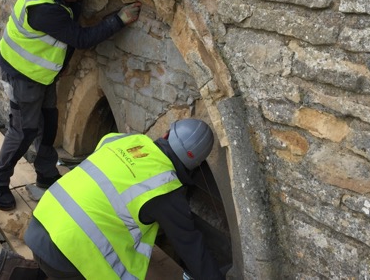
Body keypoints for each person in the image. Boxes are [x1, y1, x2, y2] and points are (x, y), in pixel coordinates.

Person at [0, 0, 141, 211]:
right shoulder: (43, 10)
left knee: (48, 124)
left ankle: (47, 175)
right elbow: (81, 38)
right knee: (24, 130)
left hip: (42, 74)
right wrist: (118, 19)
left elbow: (70, 22)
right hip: (22, 74)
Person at [24, 118, 225, 280]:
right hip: (67, 261)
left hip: (39, 225)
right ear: (193, 165)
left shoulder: (120, 140)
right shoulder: (166, 188)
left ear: (166, 134)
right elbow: (190, 244)